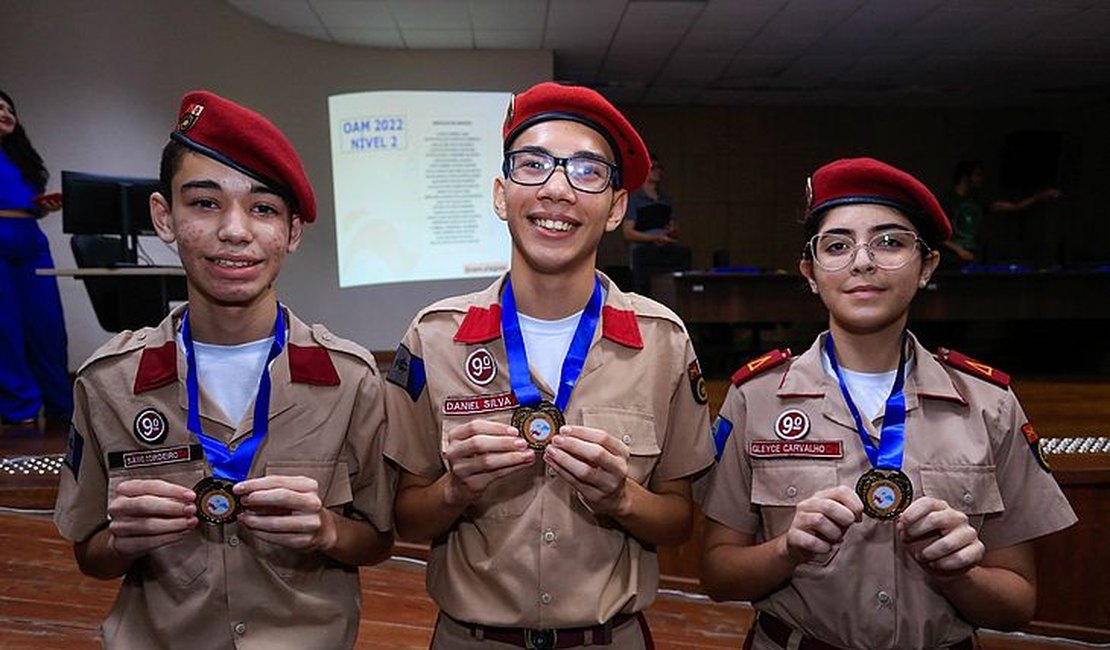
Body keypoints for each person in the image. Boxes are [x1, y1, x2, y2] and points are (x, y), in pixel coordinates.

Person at [53, 90, 394, 649]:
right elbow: (89, 556)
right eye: (205, 203)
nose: (235, 231)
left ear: (292, 231)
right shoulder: (109, 382)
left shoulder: (349, 379)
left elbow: (377, 540)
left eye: (262, 208)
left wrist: (328, 530)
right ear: (164, 217)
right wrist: (122, 540)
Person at [384, 81, 715, 649]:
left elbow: (679, 521)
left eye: (586, 172)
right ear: (500, 194)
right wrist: (455, 490)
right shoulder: (434, 337)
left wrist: (621, 498)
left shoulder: (663, 342)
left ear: (615, 209)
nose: (557, 189)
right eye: (533, 165)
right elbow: (406, 519)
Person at [698, 157, 1077, 650]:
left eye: (890, 242)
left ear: (927, 266)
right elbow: (718, 577)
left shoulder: (989, 406)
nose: (862, 262)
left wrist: (956, 573)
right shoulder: (757, 398)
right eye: (837, 246)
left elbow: (1017, 604)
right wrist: (787, 550)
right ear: (810, 273)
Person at [0, 88, 72, 430]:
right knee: (5, 329)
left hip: (31, 241)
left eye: (9, 107)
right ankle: (21, 409)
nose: (5, 111)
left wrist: (43, 208)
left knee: (48, 327)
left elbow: (23, 204)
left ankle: (62, 406)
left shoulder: (22, 157)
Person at [943, 160, 1061, 265]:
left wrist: (1040, 197)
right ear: (965, 176)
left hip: (974, 256)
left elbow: (1015, 206)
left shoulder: (978, 201)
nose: (981, 179)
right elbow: (936, 235)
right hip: (953, 257)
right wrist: (958, 250)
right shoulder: (948, 201)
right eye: (977, 175)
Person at [621, 153, 691, 295]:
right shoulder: (635, 199)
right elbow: (628, 233)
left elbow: (671, 227)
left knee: (683, 256)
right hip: (643, 252)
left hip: (665, 249)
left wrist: (672, 231)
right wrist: (655, 238)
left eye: (660, 168)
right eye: (654, 168)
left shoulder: (665, 199)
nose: (658, 171)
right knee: (645, 289)